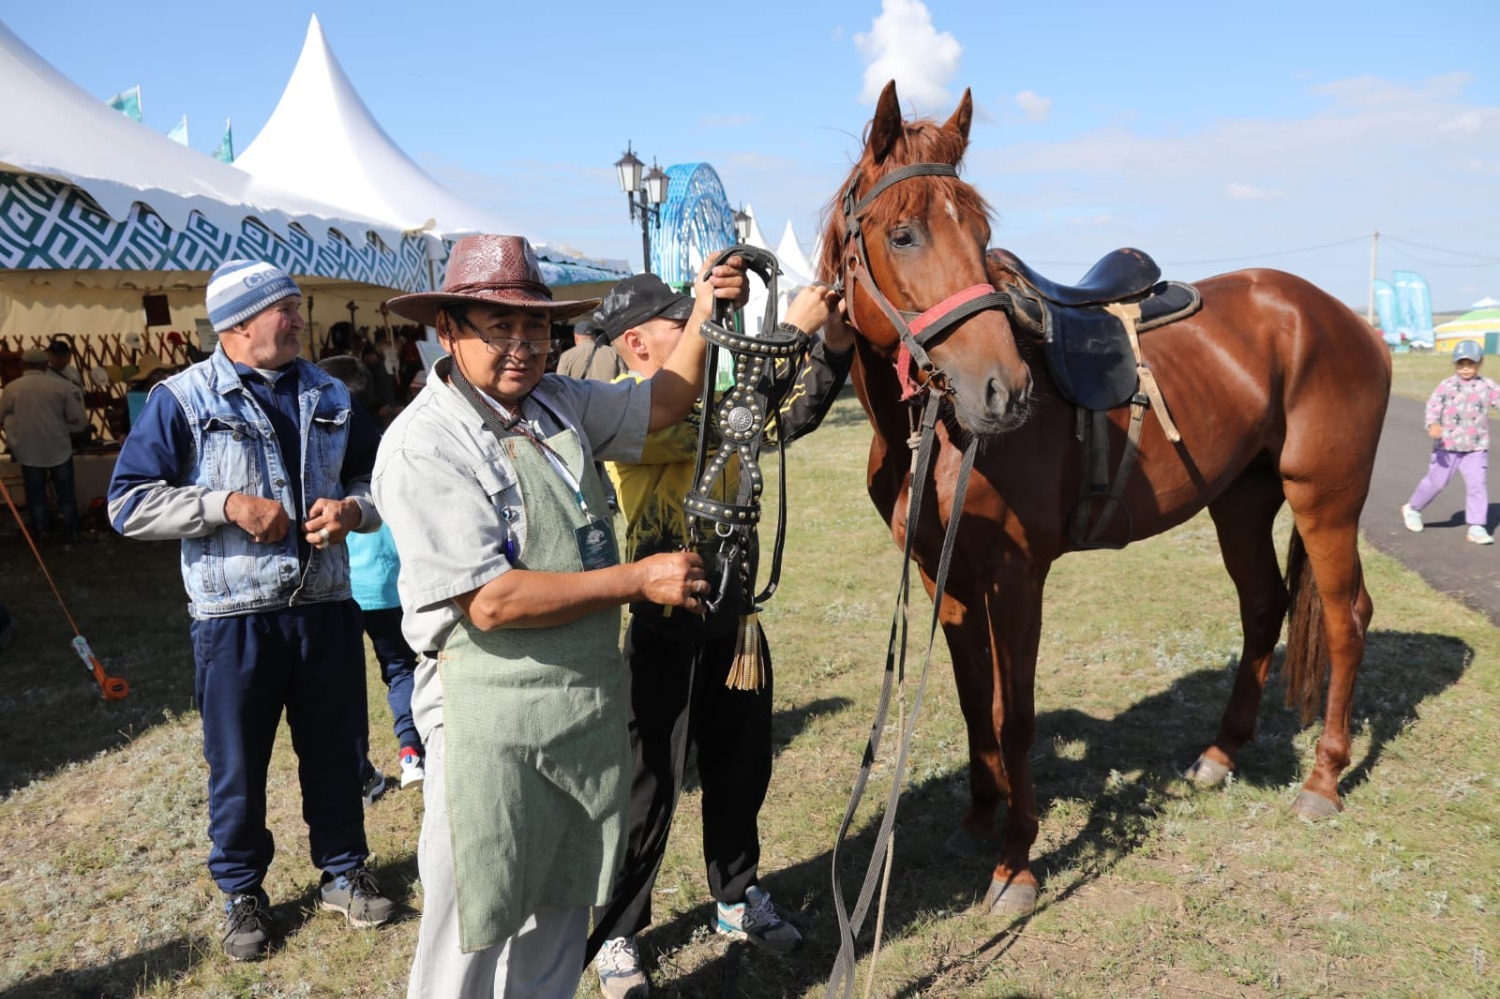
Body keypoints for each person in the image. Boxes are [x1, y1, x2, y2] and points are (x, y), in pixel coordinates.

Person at [372, 233, 747, 999]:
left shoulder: (558, 401)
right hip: (487, 714)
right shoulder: (424, 444)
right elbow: (490, 599)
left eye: (535, 327)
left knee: (561, 906)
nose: (521, 346)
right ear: (447, 331)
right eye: (498, 327)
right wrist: (636, 579)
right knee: (474, 921)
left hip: (577, 703)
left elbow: (664, 400)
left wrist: (705, 308)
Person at [107, 259, 397, 962]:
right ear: (237, 325)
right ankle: (241, 892)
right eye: (284, 310)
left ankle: (343, 871)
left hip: (325, 605)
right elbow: (128, 502)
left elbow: (378, 476)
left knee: (337, 751)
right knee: (236, 766)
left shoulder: (330, 391)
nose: (298, 320)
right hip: (233, 617)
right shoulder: (182, 398)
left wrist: (354, 510)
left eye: (296, 306)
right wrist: (225, 505)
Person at [588, 277, 854, 997]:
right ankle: (618, 930)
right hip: (664, 627)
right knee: (647, 783)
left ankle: (736, 896)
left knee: (742, 768)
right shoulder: (625, 410)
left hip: (738, 624)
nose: (703, 330)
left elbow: (789, 416)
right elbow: (724, 430)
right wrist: (790, 335)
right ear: (637, 342)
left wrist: (833, 341)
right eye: (683, 323)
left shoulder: (719, 400)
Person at [317, 354, 427, 795]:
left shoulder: (318, 452)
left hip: (336, 585)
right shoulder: (389, 445)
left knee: (343, 683)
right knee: (400, 669)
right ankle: (411, 754)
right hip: (387, 581)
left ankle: (360, 773)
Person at [1402, 338, 1500, 544]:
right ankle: (1413, 508)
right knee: (1436, 483)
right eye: (1460, 364)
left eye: (1470, 364)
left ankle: (1477, 526)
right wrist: (1433, 424)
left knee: (1477, 485)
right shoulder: (1447, 386)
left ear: (1480, 363)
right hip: (1447, 447)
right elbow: (1433, 406)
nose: (1465, 368)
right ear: (1455, 364)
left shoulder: (1487, 385)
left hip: (1476, 447)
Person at [0, 347, 88, 543]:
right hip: (58, 446)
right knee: (65, 493)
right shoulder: (61, 386)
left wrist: (12, 431)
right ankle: (71, 532)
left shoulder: (12, 388)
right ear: (45, 364)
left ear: (23, 364)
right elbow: (77, 419)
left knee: (36, 496)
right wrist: (66, 428)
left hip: (27, 449)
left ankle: (43, 533)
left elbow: (1, 416)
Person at [557, 318, 626, 382]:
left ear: (576, 337)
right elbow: (624, 380)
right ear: (595, 336)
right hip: (608, 391)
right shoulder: (613, 353)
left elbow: (559, 384)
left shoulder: (566, 356)